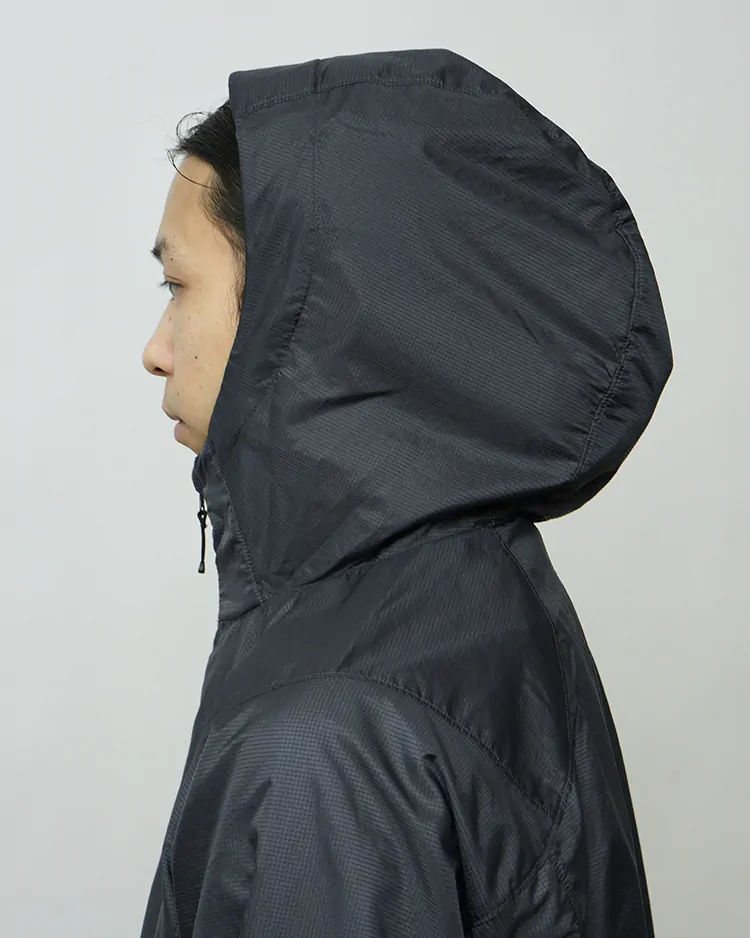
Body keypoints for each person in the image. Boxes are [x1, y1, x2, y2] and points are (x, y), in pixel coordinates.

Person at [141, 48, 673, 937]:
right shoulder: (476, 589)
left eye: (176, 286)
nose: (155, 349)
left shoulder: (327, 744)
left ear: (301, 314)